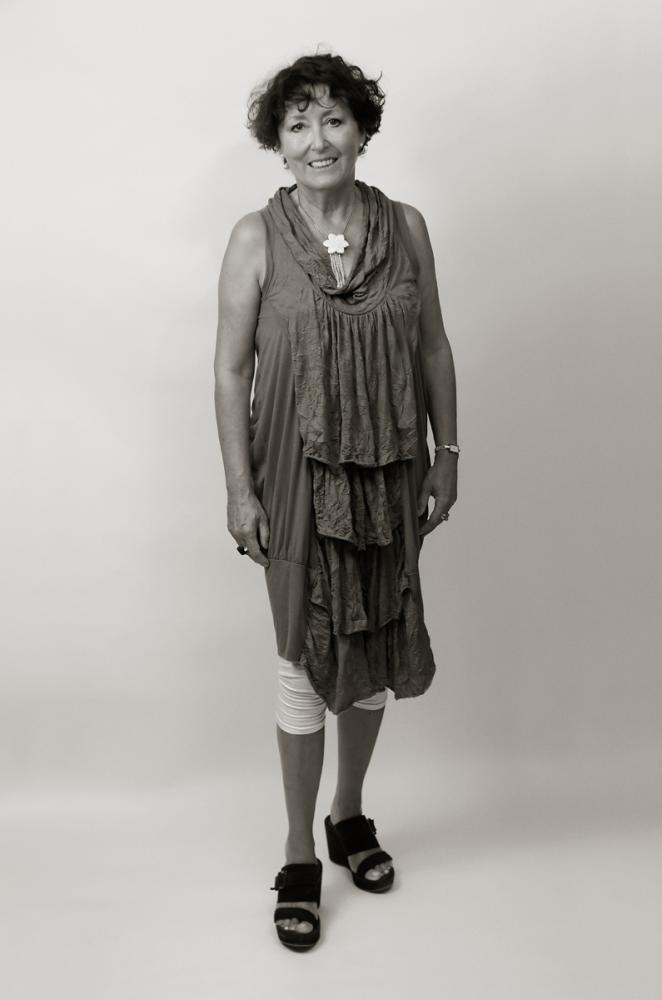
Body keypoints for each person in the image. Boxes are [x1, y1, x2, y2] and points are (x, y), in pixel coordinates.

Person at [214, 52, 458, 951]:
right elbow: (230, 370)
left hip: (389, 470)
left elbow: (433, 348)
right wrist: (239, 488)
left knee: (375, 641)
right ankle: (298, 851)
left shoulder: (407, 226)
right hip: (291, 474)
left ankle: (348, 815)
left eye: (333, 119)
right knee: (301, 657)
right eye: (297, 125)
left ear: (361, 131)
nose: (317, 139)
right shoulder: (254, 238)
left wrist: (447, 453)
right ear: (278, 146)